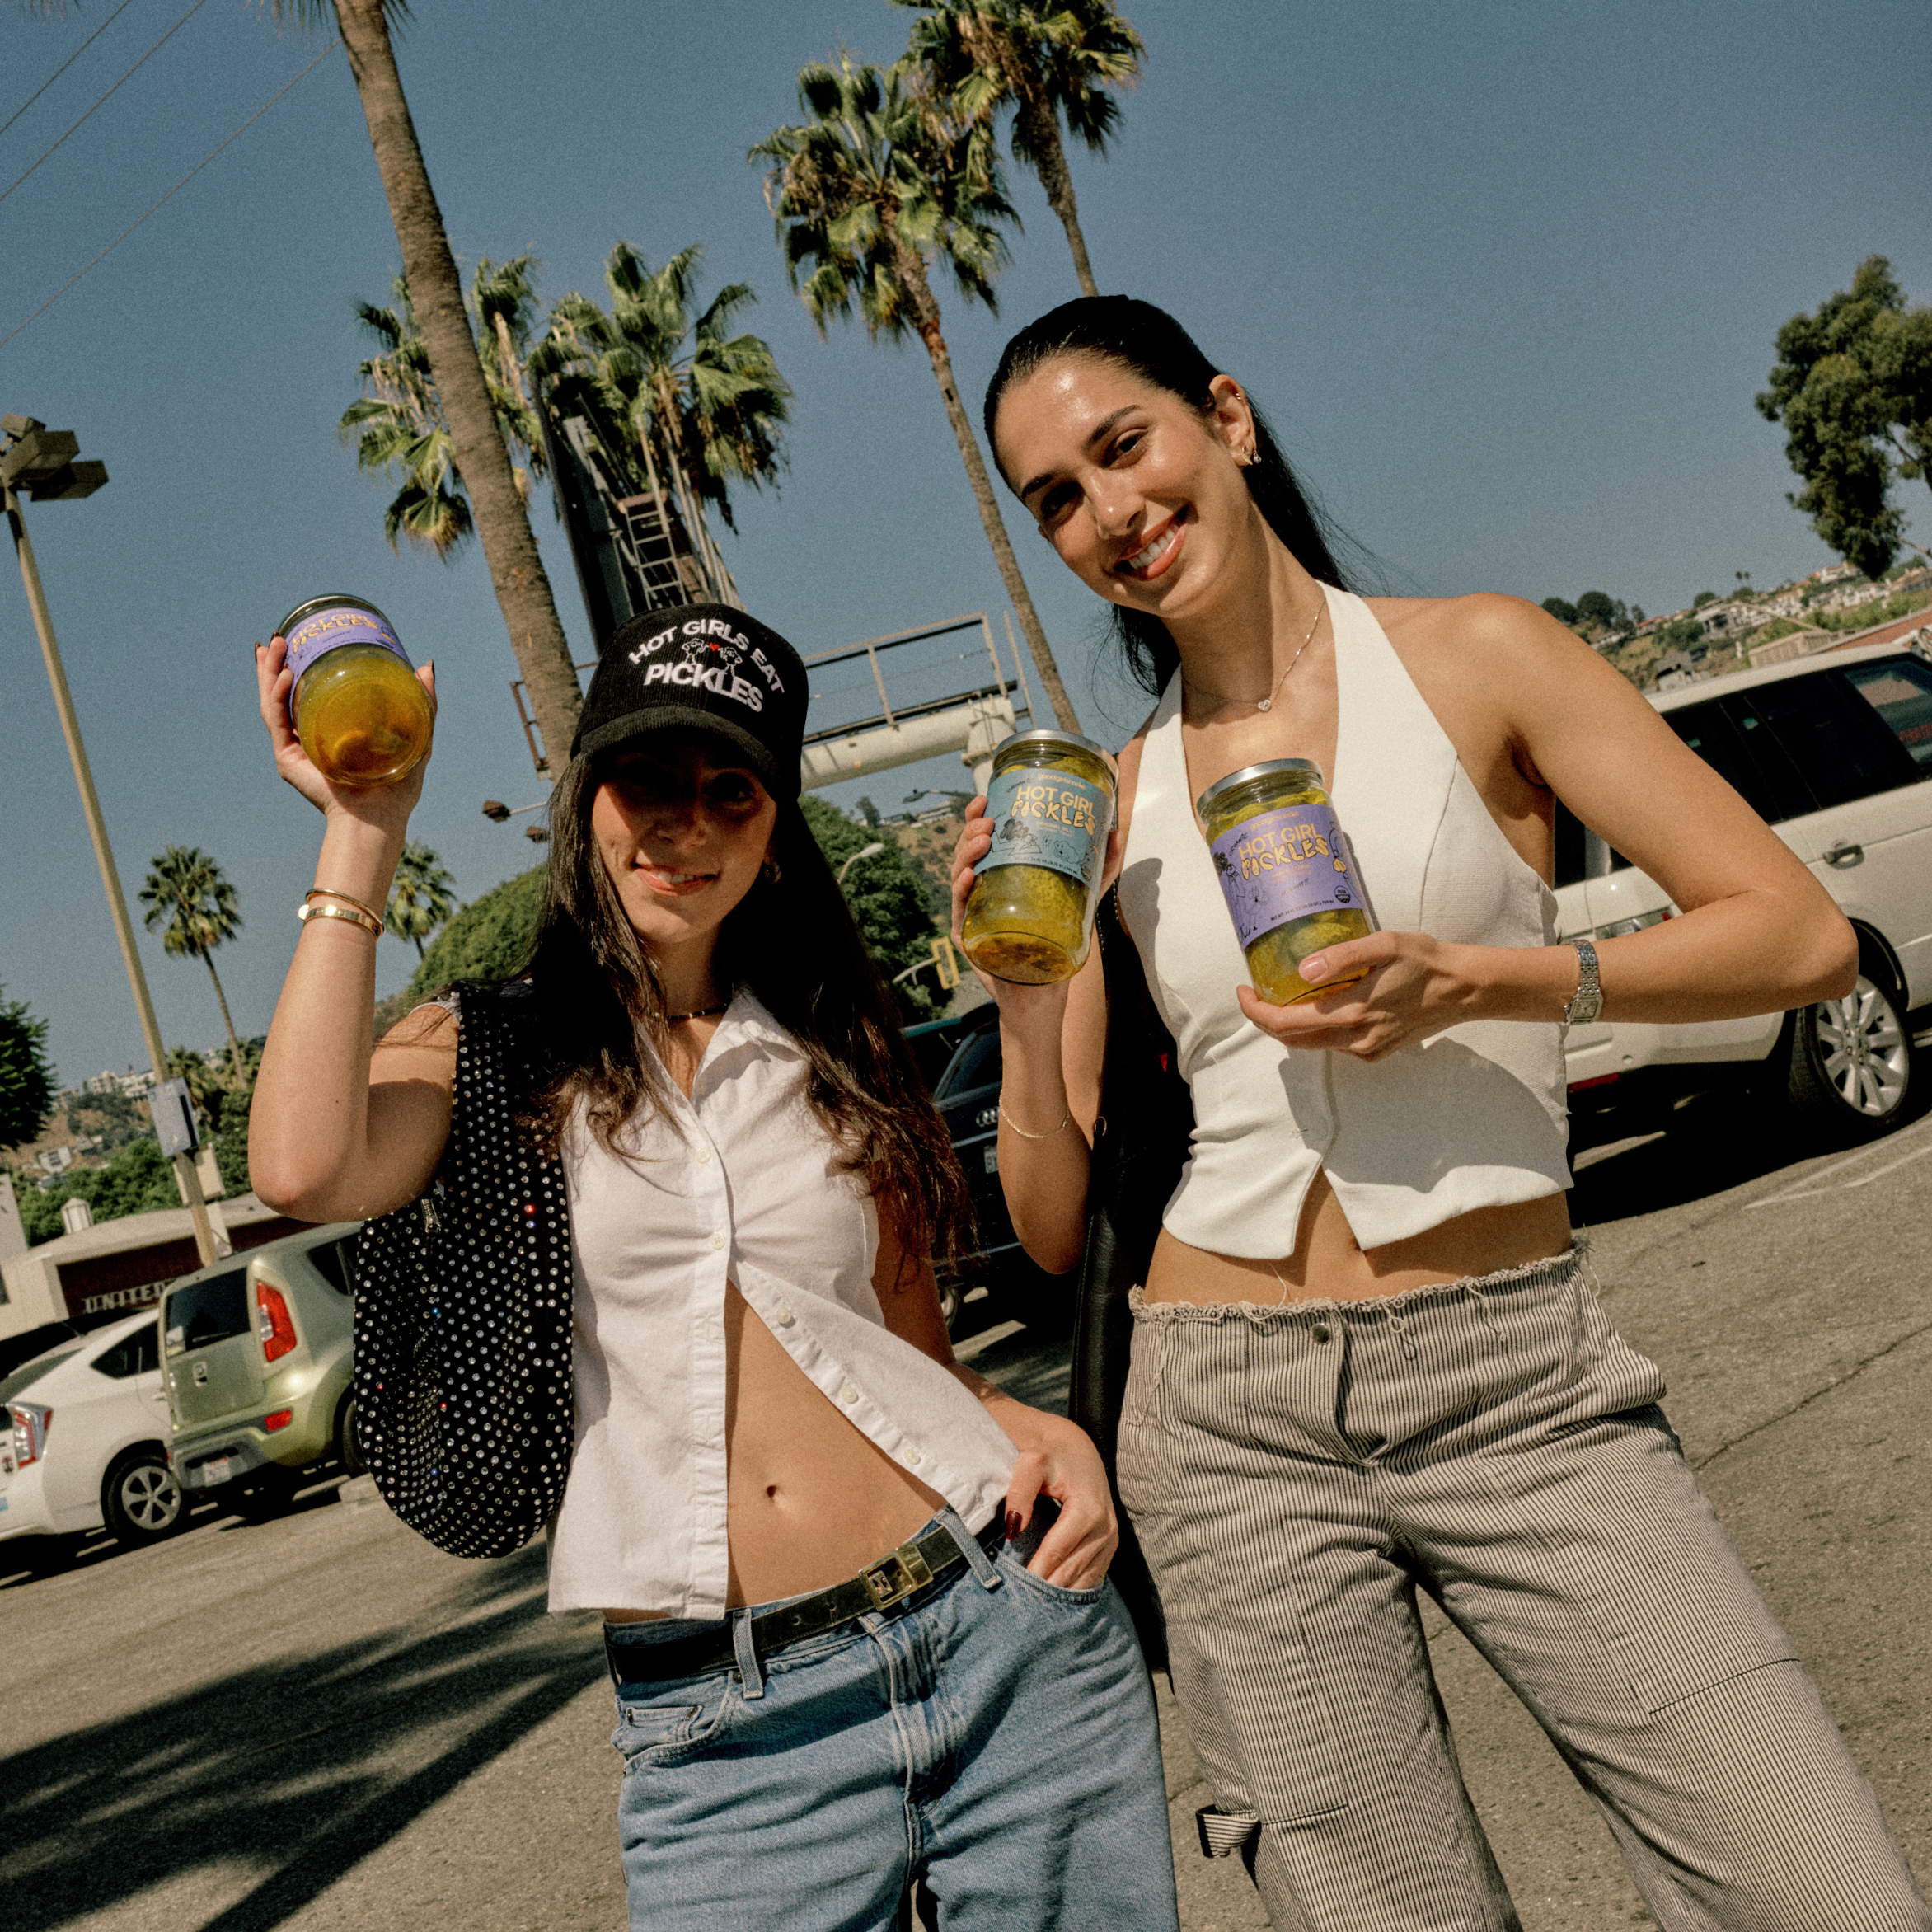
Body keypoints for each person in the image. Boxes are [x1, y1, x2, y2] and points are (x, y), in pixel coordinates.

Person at [955, 295, 1932, 1932]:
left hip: (1516, 1381)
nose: (1103, 511)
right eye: (1054, 496)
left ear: (1227, 419)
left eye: (1120, 446)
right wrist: (1023, 975)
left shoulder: (1475, 656)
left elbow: (1793, 927)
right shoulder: (1109, 796)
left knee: (1819, 1886)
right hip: (1222, 1426)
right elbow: (1049, 1222)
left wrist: (1487, 979)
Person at [247, 601, 1182, 1932]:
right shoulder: (495, 1052)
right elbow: (303, 1167)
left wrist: (1045, 1433)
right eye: (645, 780)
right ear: (585, 807)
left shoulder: (832, 1053)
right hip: (727, 1728)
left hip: (1001, 1632)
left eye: (729, 791)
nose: (683, 822)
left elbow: (914, 1364)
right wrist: (363, 830)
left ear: (773, 836)